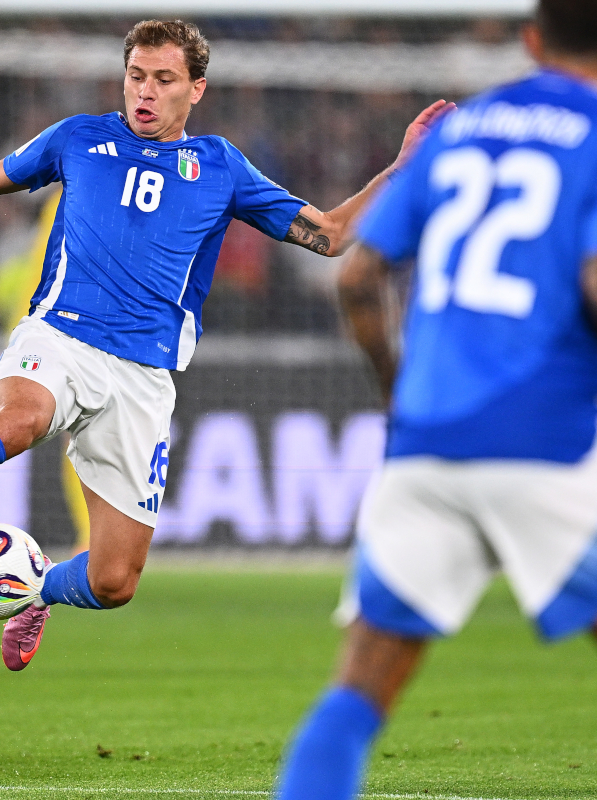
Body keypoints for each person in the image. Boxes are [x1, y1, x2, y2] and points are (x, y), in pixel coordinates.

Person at [0, 19, 448, 671]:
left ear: (196, 90)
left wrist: (402, 167)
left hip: (144, 376)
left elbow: (330, 235)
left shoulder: (220, 167)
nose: (145, 91)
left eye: (163, 80)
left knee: (114, 581)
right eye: (136, 76)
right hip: (61, 336)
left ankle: (36, 591)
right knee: (21, 418)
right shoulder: (79, 138)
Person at [274, 2, 597, 798]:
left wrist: (396, 390)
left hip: (424, 444)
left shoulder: (463, 130)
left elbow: (354, 277)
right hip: (545, 439)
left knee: (358, 691)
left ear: (530, 40)